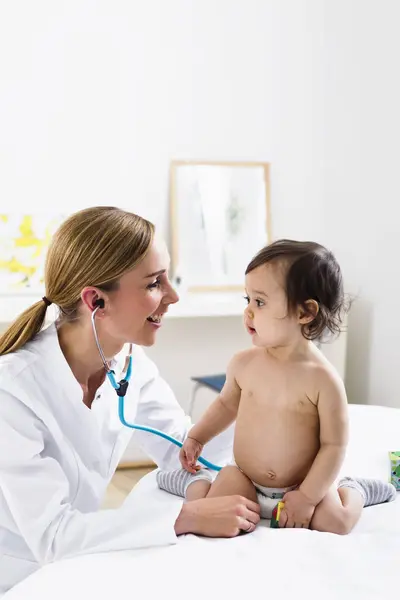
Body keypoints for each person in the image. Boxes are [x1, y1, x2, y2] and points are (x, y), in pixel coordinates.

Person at [0, 207, 260, 595]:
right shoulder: (13, 390)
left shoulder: (129, 363)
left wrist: (260, 403)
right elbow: (53, 535)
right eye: (154, 283)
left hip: (77, 558)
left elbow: (184, 449)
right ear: (96, 301)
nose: (172, 296)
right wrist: (185, 516)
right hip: (19, 573)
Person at [157, 240, 396, 532]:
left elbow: (333, 446)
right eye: (247, 300)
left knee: (338, 522)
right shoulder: (244, 363)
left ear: (304, 313)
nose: (248, 312)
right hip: (246, 477)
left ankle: (356, 490)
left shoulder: (323, 380)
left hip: (303, 484)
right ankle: (194, 481)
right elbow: (225, 405)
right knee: (212, 507)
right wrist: (197, 437)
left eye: (259, 302)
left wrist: (308, 497)